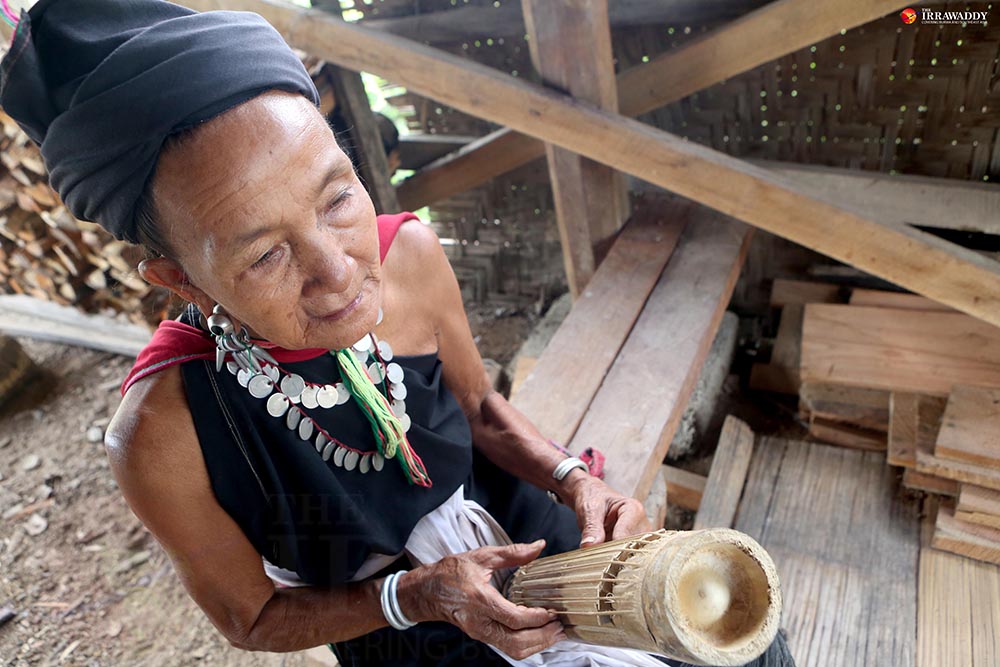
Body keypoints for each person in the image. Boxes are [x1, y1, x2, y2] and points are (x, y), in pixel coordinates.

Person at [0, 2, 794, 666]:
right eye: (266, 253)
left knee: (745, 641)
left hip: (518, 523)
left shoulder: (406, 254)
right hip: (399, 623)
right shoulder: (161, 435)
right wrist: (414, 594)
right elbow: (250, 617)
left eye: (337, 198)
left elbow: (481, 409)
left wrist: (571, 480)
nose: (338, 271)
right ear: (181, 280)